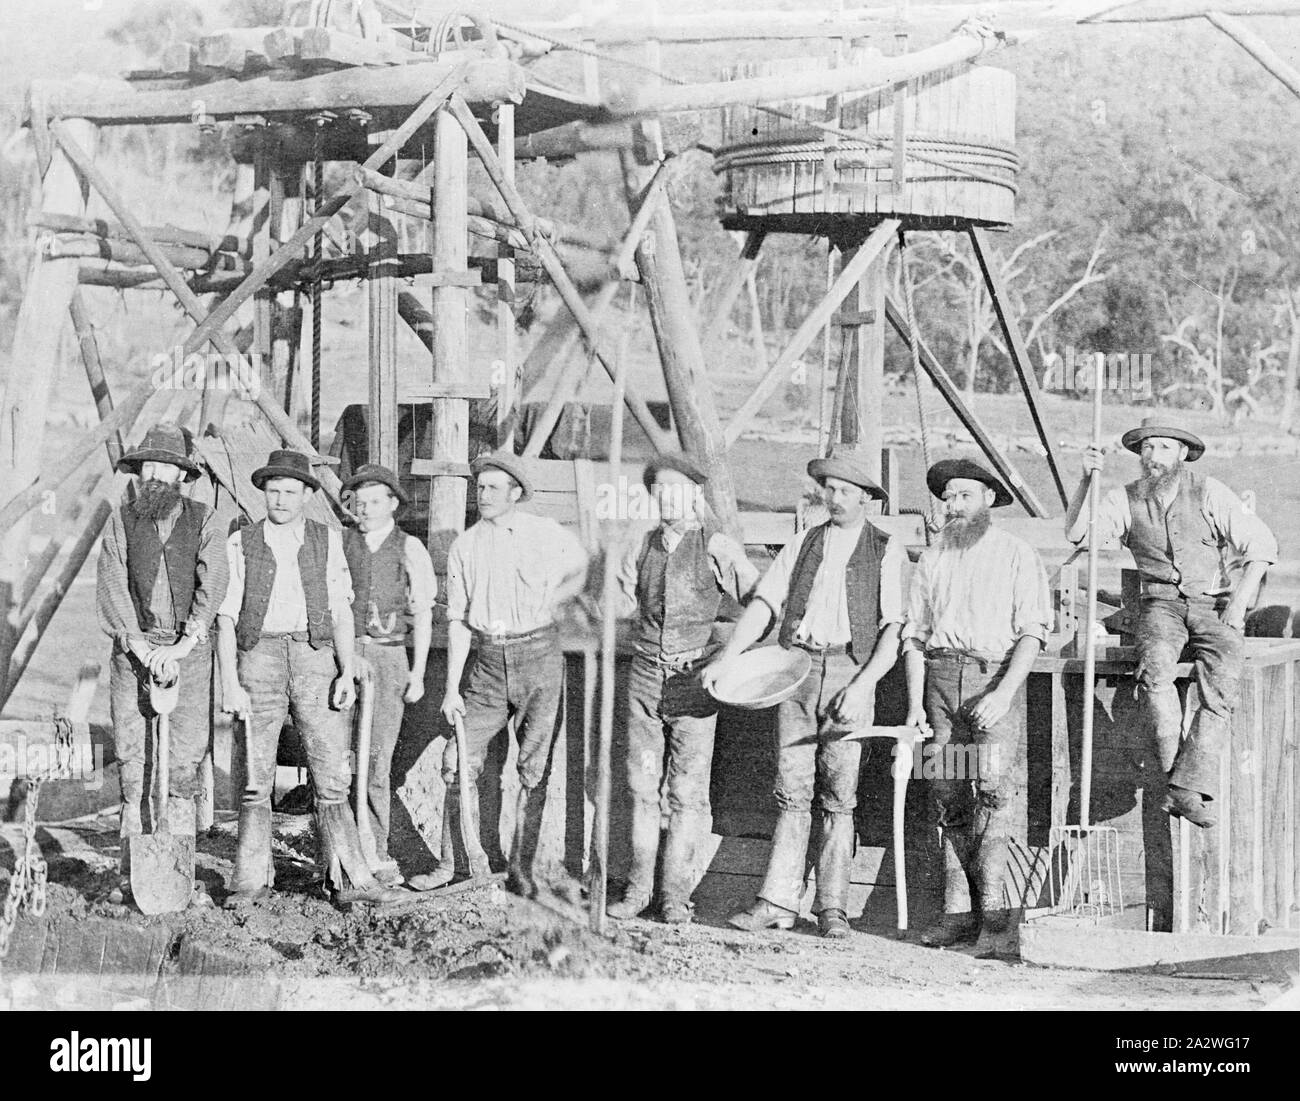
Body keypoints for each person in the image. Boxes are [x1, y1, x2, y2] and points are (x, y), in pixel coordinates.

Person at [703, 447, 905, 938]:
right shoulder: (803, 543)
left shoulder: (885, 549)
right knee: (790, 791)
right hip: (797, 670)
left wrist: (863, 686)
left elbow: (894, 631)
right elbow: (765, 606)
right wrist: (727, 657)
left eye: (845, 491)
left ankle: (833, 907)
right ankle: (776, 902)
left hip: (849, 675)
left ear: (866, 499)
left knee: (840, 798)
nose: (834, 498)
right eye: (829, 489)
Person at [1064, 417, 1277, 828]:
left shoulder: (1210, 491)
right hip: (1159, 607)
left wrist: (1237, 608)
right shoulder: (1125, 499)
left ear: (1182, 453)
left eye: (1163, 448)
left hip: (1211, 606)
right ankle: (1175, 782)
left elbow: (1262, 547)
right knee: (1156, 669)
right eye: (1146, 449)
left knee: (1224, 679)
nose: (1153, 457)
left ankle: (1185, 785)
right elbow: (1078, 534)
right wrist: (1086, 481)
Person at [216, 449, 403, 909]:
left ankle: (348, 879)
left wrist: (345, 668)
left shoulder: (328, 540)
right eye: (273, 490)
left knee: (331, 775)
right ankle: (250, 879)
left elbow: (341, 609)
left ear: (305, 496)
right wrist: (230, 682)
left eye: (290, 491)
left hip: (315, 654)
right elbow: (225, 618)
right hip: (258, 655)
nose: (280, 499)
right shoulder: (241, 542)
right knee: (256, 778)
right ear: (263, 492)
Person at [417, 452, 587, 897]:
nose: (484, 494)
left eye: (494, 487)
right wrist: (452, 688)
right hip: (488, 664)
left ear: (515, 493)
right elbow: (456, 622)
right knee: (456, 762)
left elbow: (584, 568)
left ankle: (521, 870)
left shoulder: (545, 534)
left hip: (540, 657)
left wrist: (555, 602)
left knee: (533, 769)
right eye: (480, 487)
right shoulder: (465, 547)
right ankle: (455, 863)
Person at [903, 459, 1051, 948]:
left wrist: (1004, 694)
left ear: (989, 498)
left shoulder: (1016, 555)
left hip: (993, 682)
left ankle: (995, 918)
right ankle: (958, 913)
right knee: (946, 795)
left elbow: (1033, 633)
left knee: (992, 792)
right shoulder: (933, 558)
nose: (954, 505)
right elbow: (916, 637)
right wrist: (916, 705)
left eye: (965, 495)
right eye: (948, 497)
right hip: (942, 684)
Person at [606, 454, 759, 924]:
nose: (668, 499)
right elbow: (617, 604)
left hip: (695, 685)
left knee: (688, 793)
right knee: (642, 786)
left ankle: (675, 895)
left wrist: (721, 655)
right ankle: (637, 890)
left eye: (678, 490)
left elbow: (760, 605)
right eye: (660, 491)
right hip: (646, 679)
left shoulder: (718, 547)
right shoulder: (639, 544)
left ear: (695, 494)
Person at [96, 422, 229, 905]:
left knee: (184, 761)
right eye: (149, 466)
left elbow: (213, 584)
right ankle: (132, 870)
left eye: (166, 467)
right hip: (134, 649)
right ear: (140, 471)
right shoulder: (120, 519)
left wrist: (183, 644)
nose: (156, 475)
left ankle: (179, 874)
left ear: (180, 475)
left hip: (188, 652)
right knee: (134, 757)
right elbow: (112, 582)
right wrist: (138, 646)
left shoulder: (206, 519)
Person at [341, 463, 436, 887]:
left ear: (393, 504)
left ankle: (374, 849)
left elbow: (423, 614)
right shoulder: (341, 543)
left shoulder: (409, 547)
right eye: (359, 502)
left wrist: (416, 674)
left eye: (374, 501)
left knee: (376, 761)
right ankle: (339, 850)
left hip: (389, 659)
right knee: (339, 759)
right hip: (344, 657)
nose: (365, 508)